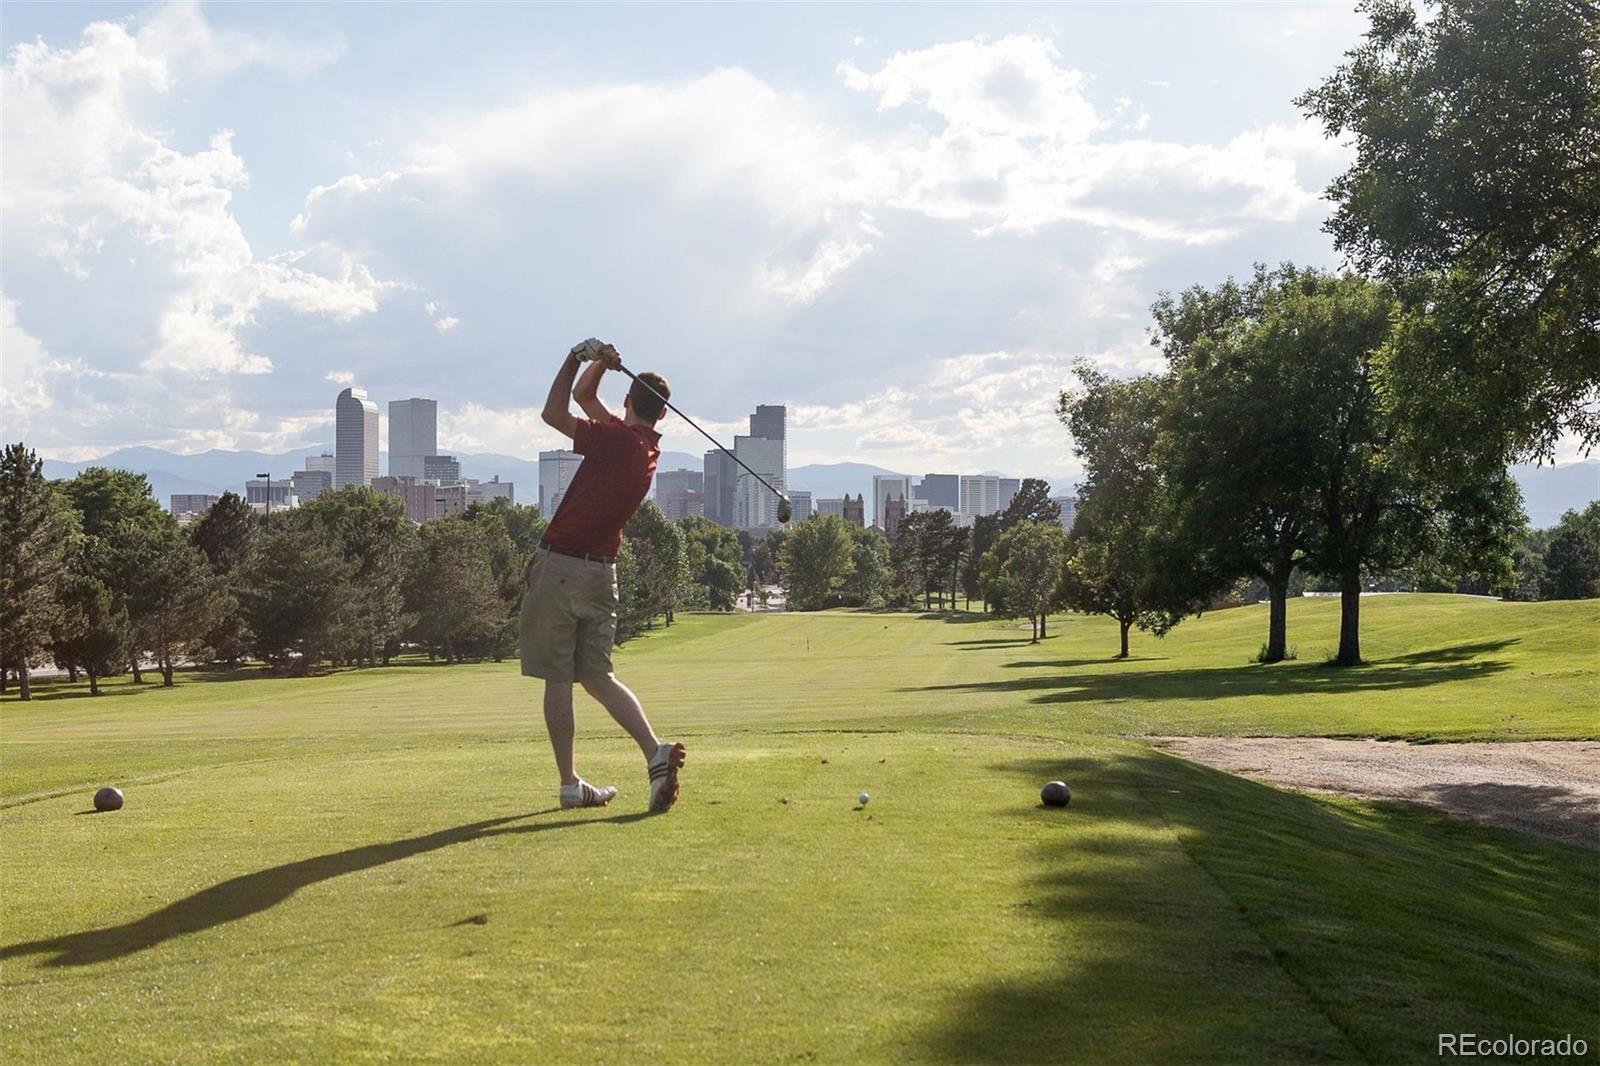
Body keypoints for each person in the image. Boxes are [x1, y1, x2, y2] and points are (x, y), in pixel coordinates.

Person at [522, 338, 685, 812]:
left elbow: (555, 411)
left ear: (628, 403)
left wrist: (575, 357)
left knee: (557, 676)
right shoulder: (642, 447)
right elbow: (585, 401)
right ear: (663, 416)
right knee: (597, 676)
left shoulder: (615, 441)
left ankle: (570, 783)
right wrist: (600, 365)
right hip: (602, 573)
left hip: (562, 568)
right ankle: (654, 753)